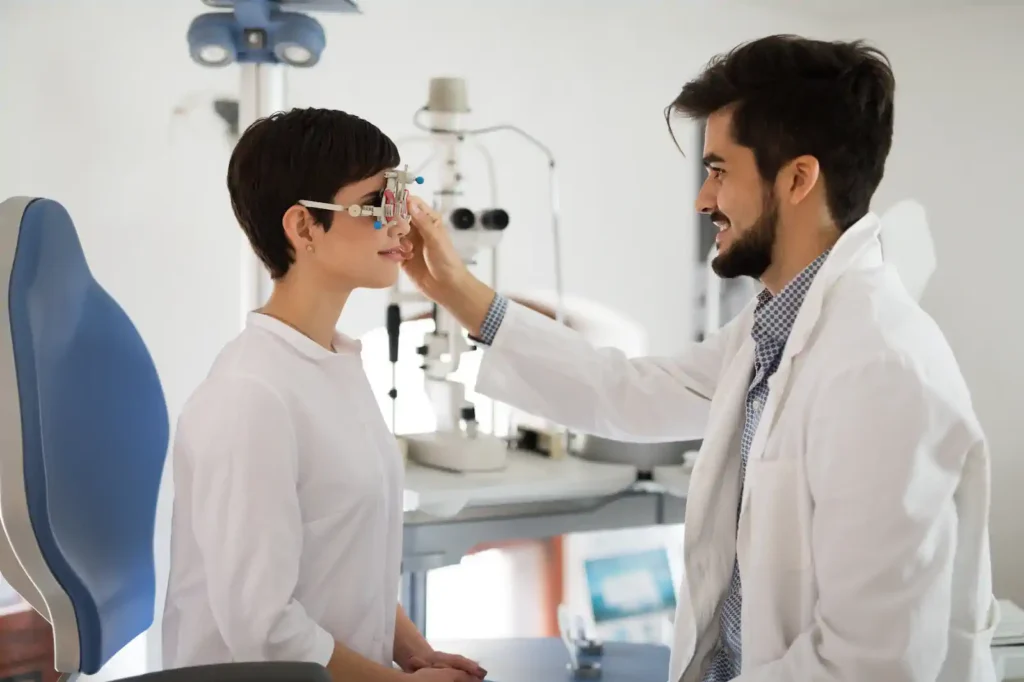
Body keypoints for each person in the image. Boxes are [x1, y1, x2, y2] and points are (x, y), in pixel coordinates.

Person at [401, 35, 998, 682]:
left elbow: (869, 665)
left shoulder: (881, 369)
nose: (703, 199)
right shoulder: (774, 327)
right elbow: (629, 392)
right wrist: (455, 291)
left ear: (798, 179)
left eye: (720, 172)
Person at [162, 108, 485, 682]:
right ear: (304, 227)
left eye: (401, 196)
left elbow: (349, 560)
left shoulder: (335, 361)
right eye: (379, 204)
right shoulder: (248, 397)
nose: (402, 224)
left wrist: (415, 652)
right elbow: (265, 630)